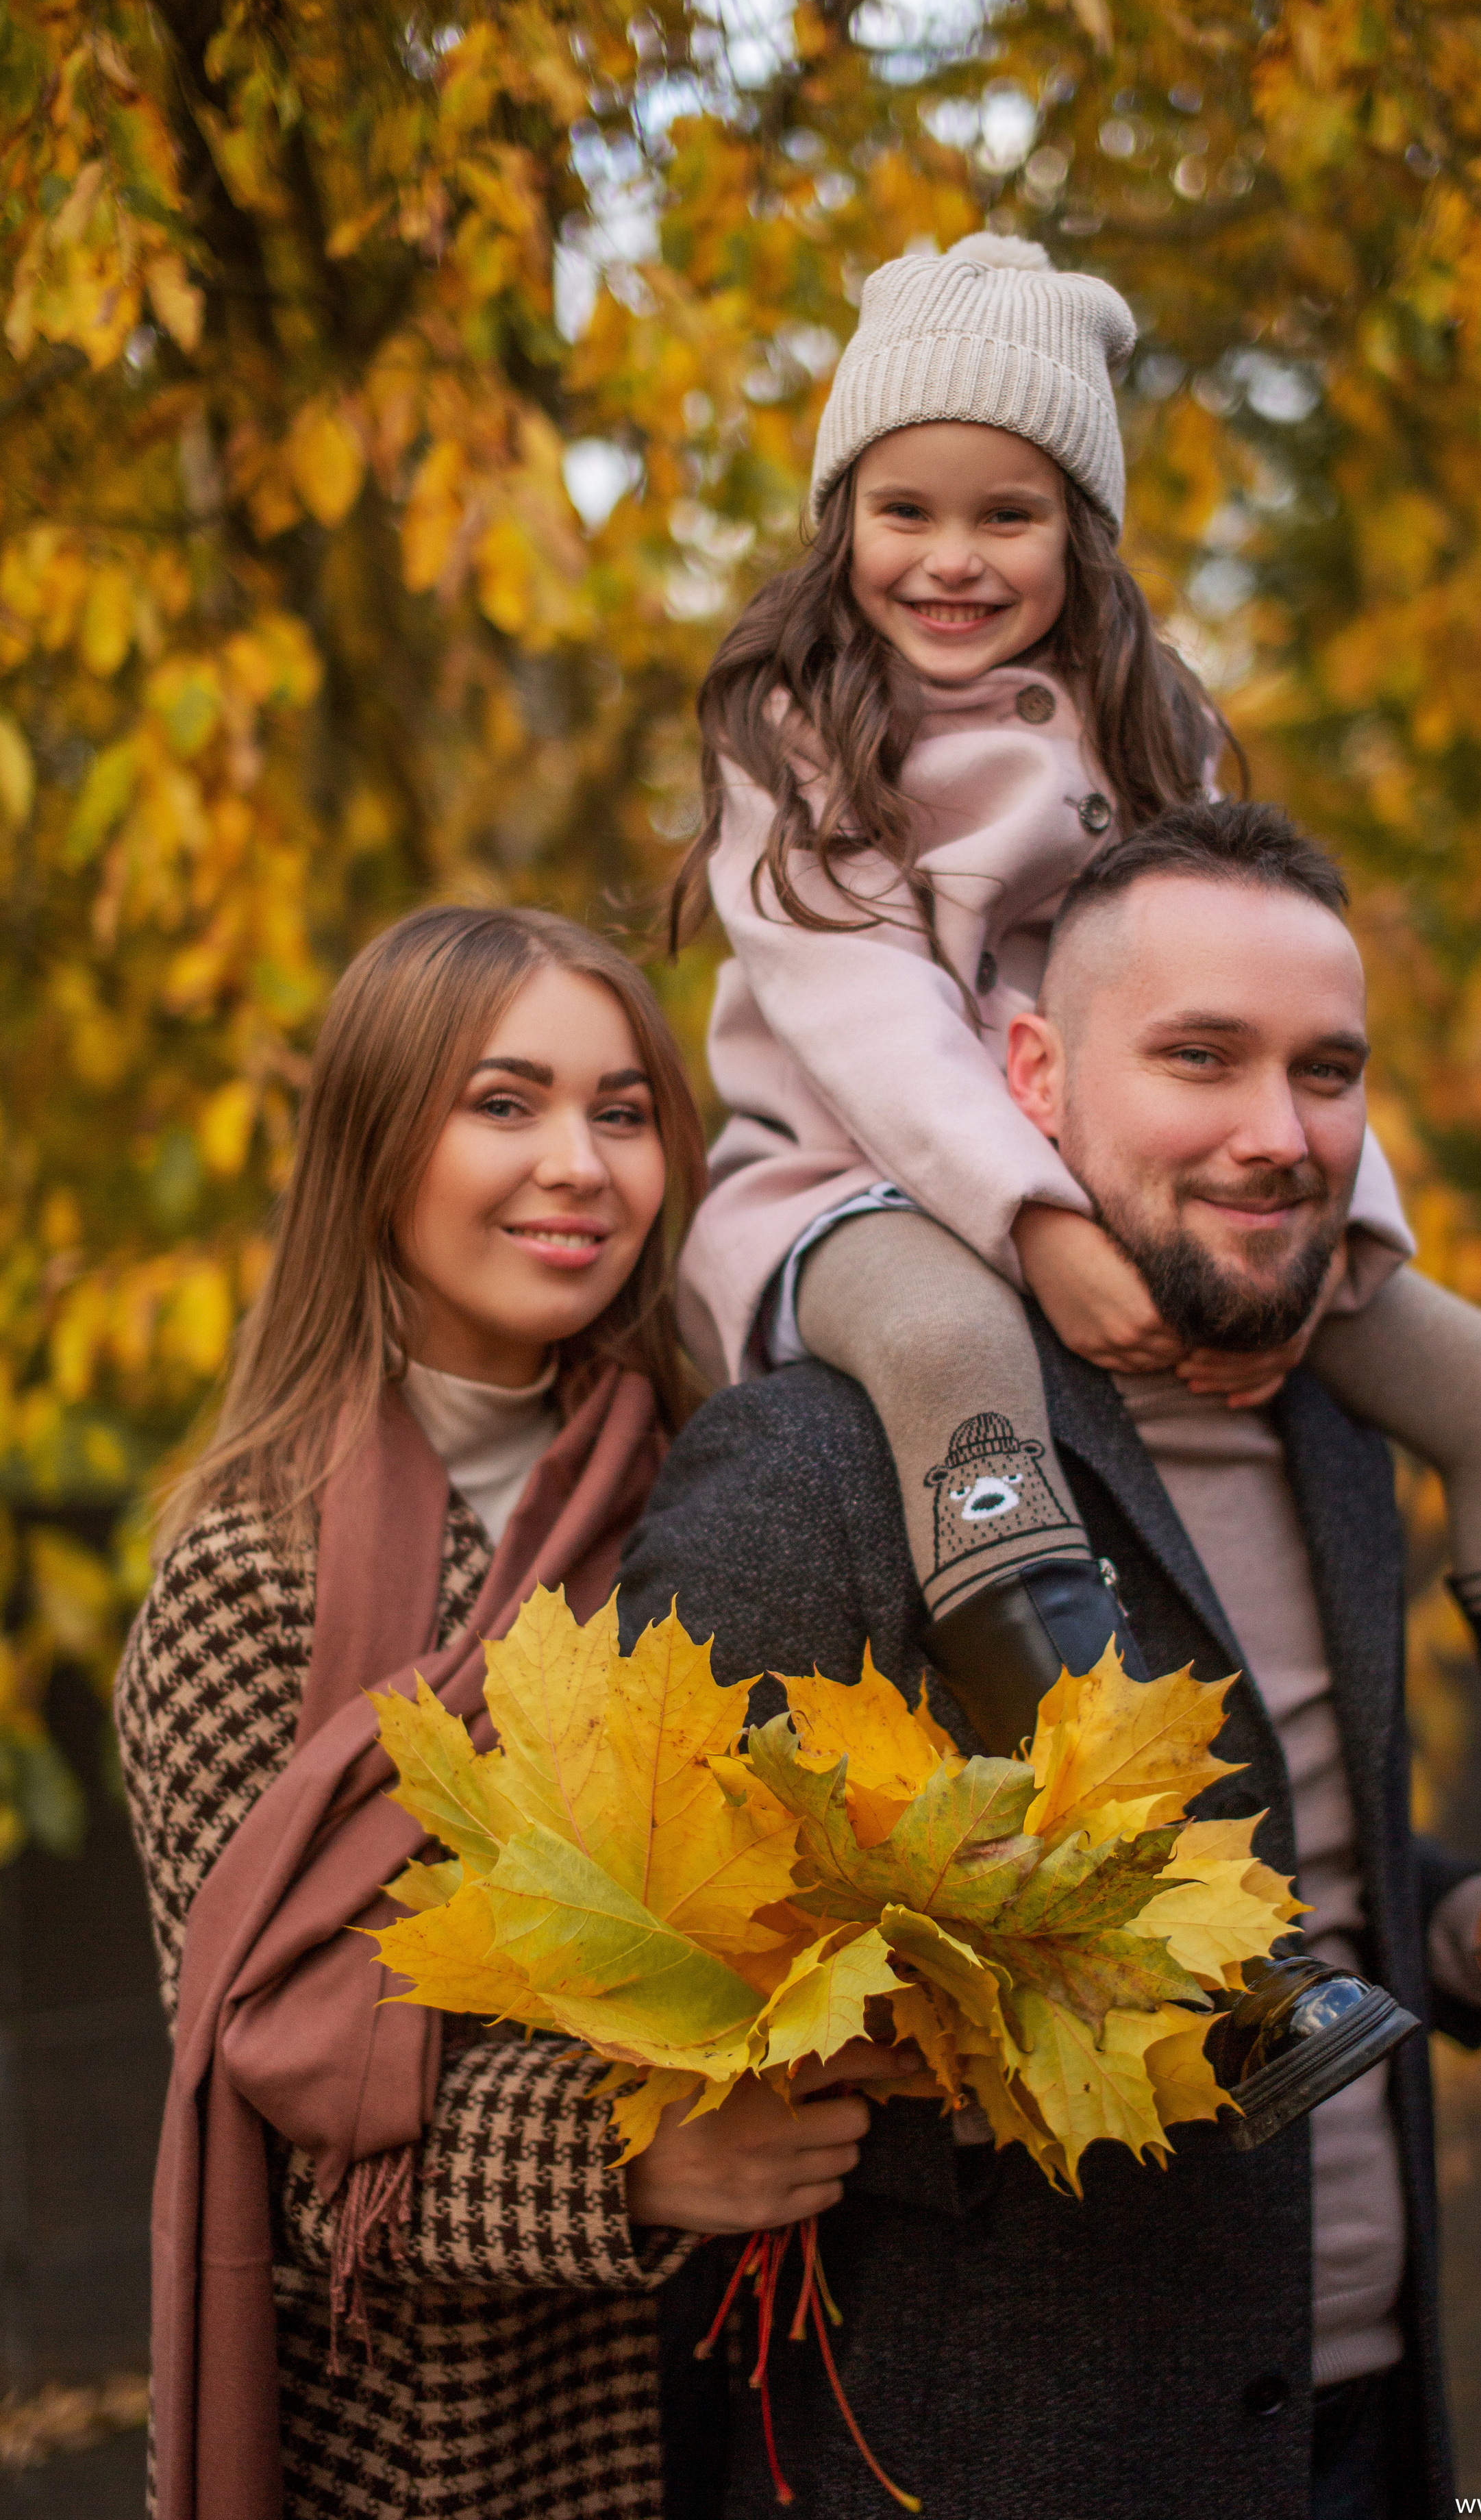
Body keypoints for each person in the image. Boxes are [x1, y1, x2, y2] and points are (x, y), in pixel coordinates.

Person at [619, 800, 1481, 2520]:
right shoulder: (820, 1461)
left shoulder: (1338, 1447)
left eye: (1324, 1073)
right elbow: (647, 2000)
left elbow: (1306, 1871)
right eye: (1199, 1059)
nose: (1275, 1134)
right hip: (999, 2461)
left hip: (1357, 2423)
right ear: (1032, 1074)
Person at [671, 228, 1481, 1810]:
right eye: (905, 511)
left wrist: (1330, 1250)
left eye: (1007, 516)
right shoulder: (802, 732)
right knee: (956, 1345)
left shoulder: (1153, 718)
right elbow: (871, 1016)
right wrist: (1035, 1226)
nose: (950, 558)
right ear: (843, 522)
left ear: (1077, 535)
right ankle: (1140, 1839)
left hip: (1121, 1178)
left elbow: (1264, 997)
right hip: (854, 1193)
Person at [117, 906, 911, 2520]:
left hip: (790, 2399)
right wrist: (622, 2167)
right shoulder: (243, 1578)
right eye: (505, 1103)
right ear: (374, 1146)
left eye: (622, 1112)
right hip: (454, 2443)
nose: (581, 1163)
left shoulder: (722, 1499)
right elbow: (253, 2120)